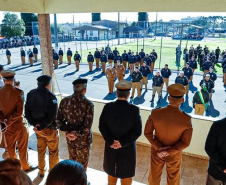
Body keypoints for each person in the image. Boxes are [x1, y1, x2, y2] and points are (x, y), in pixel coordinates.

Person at [144, 84, 193, 185]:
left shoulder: (155, 113)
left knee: (154, 177)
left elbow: (147, 133)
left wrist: (159, 148)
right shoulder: (186, 119)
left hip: (157, 152)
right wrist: (169, 151)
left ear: (168, 98)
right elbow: (185, 142)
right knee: (173, 179)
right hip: (174, 154)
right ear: (182, 100)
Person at [99, 80, 142, 185]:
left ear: (116, 93)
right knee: (126, 175)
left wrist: (111, 142)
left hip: (111, 147)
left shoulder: (108, 107)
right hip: (127, 149)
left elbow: (102, 126)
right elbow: (137, 131)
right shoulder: (134, 110)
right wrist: (122, 143)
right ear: (128, 94)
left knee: (111, 174)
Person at [0, 70, 37, 171]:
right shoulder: (19, 92)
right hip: (19, 125)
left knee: (11, 148)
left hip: (7, 128)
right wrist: (7, 122)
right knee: (22, 148)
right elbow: (19, 113)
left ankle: (14, 167)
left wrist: (4, 121)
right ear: (13, 80)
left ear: (3, 80)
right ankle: (25, 166)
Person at [56, 79, 94, 171]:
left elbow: (58, 120)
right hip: (83, 140)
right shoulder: (88, 104)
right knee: (82, 165)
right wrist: (75, 134)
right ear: (84, 90)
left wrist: (68, 132)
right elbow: (87, 127)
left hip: (70, 139)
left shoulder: (64, 101)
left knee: (72, 163)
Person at [25, 75, 59, 177]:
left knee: (41, 149)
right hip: (49, 128)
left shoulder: (31, 94)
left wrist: (35, 125)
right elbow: (52, 116)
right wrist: (41, 126)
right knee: (53, 151)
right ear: (48, 85)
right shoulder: (51, 96)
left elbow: (27, 112)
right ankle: (52, 173)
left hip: (38, 130)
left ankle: (41, 171)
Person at [205, 117, 226, 185]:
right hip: (215, 172)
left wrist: (223, 167)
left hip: (216, 170)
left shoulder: (217, 125)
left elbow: (209, 148)